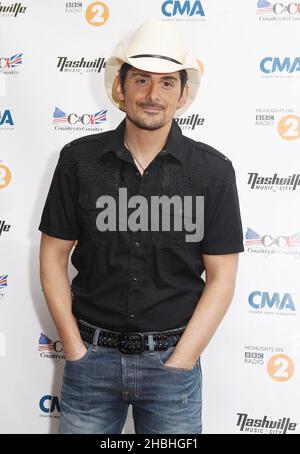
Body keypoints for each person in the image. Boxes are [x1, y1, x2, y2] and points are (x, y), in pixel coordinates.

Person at [38, 19, 244, 434]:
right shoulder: (78, 160)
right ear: (120, 87)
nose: (153, 95)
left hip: (172, 370)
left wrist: (182, 359)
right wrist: (75, 349)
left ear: (184, 94)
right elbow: (53, 254)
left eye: (168, 83)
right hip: (89, 363)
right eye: (142, 80)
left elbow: (223, 276)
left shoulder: (213, 171)